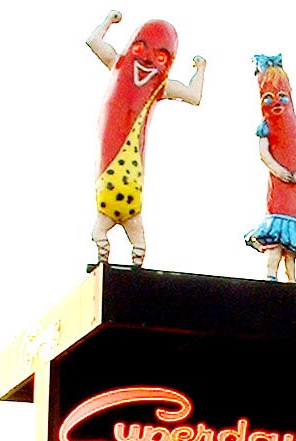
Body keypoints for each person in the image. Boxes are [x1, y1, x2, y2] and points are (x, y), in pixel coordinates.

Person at [87, 10, 206, 267]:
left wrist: (201, 69)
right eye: (141, 49)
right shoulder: (120, 64)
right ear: (133, 47)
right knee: (123, 235)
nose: (149, 60)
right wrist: (108, 21)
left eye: (160, 56)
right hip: (118, 184)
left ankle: (118, 257)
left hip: (126, 185)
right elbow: (93, 42)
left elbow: (194, 96)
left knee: (116, 233)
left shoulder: (155, 84)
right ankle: (119, 257)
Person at [244, 54, 296, 281]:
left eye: (282, 97)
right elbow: (263, 154)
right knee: (277, 238)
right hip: (280, 188)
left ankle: (291, 278)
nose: (276, 103)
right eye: (269, 98)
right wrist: (279, 170)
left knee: (290, 243)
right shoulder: (267, 126)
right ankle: (271, 274)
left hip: (294, 190)